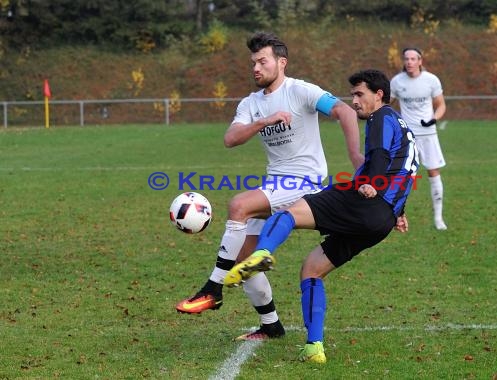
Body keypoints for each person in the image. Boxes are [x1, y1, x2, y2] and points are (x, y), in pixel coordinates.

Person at [175, 31, 363, 341]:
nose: (256, 68)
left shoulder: (301, 91)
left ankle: (212, 288)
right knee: (244, 261)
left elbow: (344, 111)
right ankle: (271, 326)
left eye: (263, 61)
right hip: (276, 183)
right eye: (254, 63)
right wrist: (265, 121)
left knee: (239, 205)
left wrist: (355, 155)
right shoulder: (251, 104)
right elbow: (230, 139)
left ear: (281, 62)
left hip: (306, 181)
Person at [223, 69, 418, 363]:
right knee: (312, 269)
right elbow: (403, 168)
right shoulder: (402, 126)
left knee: (289, 212)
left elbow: (379, 157)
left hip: (363, 201)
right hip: (381, 220)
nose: (354, 101)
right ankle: (315, 348)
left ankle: (262, 252)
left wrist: (370, 183)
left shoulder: (382, 117)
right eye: (352, 95)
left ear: (379, 95)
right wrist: (398, 211)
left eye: (359, 94)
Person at [390, 47, 448, 230]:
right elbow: (385, 104)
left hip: (428, 135)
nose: (409, 62)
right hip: (407, 136)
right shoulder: (397, 82)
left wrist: (434, 119)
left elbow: (441, 105)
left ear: (420, 61)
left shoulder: (431, 80)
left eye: (413, 59)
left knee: (433, 172)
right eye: (406, 59)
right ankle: (393, 216)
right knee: (402, 176)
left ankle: (438, 219)